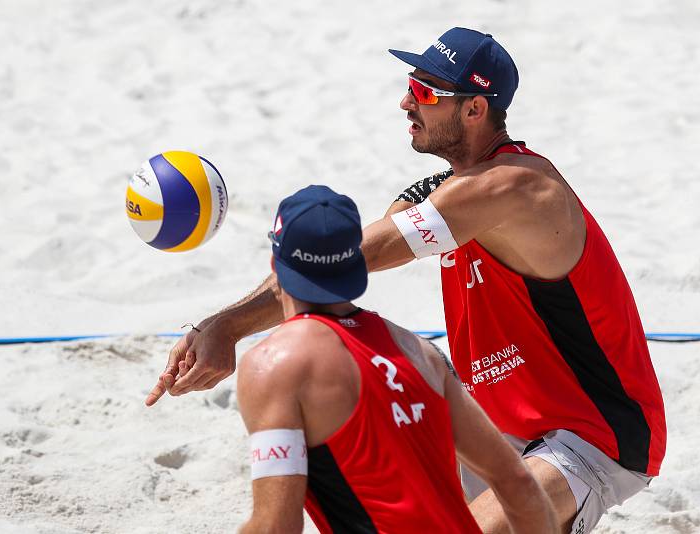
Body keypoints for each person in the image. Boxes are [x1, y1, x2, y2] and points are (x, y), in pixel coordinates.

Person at [146, 27, 666, 534]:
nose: (405, 103)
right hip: (499, 422)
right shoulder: (450, 186)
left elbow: (350, 256)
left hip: (591, 434)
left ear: (474, 109)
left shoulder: (516, 186)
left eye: (423, 91)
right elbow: (346, 249)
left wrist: (227, 326)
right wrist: (226, 325)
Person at [232, 184, 555, 533]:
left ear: (275, 266)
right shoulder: (420, 352)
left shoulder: (273, 364)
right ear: (355, 266)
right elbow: (518, 484)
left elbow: (276, 526)